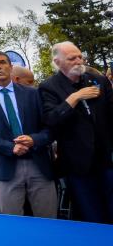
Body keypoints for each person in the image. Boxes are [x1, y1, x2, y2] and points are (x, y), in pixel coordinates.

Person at [0, 51, 56, 218]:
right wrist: (11, 147)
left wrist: (33, 140)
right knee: (11, 220)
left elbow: (49, 128)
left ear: (10, 66)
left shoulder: (32, 93)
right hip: (5, 166)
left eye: (2, 62)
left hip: (38, 163)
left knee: (48, 218)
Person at [40, 42, 113, 223]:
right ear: (57, 62)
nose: (78, 61)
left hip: (105, 158)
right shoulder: (49, 87)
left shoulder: (98, 80)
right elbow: (51, 120)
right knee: (91, 214)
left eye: (80, 56)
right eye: (72, 58)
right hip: (77, 164)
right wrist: (74, 98)